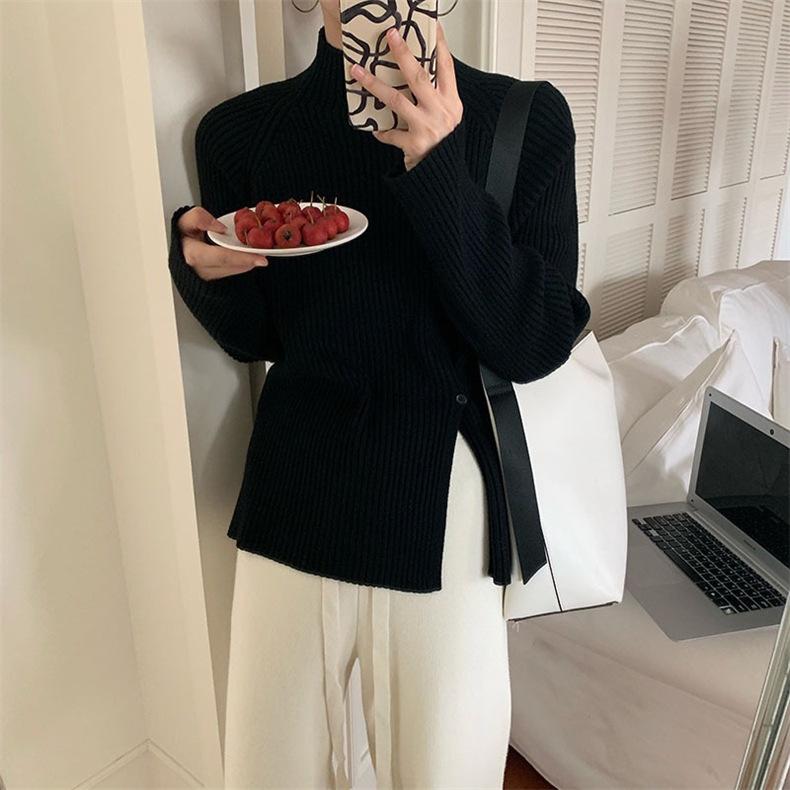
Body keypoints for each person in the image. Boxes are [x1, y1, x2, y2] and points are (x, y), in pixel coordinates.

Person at [168, 0, 591, 787]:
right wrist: (202, 267)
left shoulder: (523, 121)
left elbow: (533, 343)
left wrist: (441, 169)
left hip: (445, 497)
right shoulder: (239, 133)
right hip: (295, 486)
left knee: (446, 773)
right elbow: (258, 338)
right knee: (266, 773)